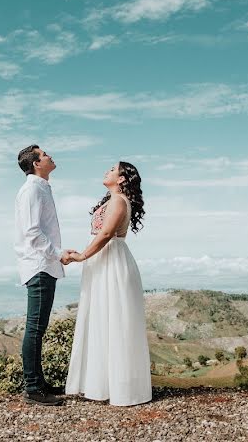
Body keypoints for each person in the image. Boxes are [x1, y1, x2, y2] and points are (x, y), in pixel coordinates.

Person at [64, 161, 152, 406]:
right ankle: (103, 383)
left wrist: (81, 256)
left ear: (122, 179)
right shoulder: (113, 200)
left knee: (113, 318)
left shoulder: (118, 201)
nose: (107, 171)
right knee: (104, 318)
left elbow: (105, 235)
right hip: (104, 260)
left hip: (111, 260)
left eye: (113, 169)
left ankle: (117, 387)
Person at [14, 144, 74, 406]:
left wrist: (57, 253)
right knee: (35, 329)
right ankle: (32, 388)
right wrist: (58, 253)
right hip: (39, 265)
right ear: (37, 163)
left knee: (39, 329)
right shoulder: (32, 190)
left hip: (44, 264)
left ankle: (39, 382)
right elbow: (32, 232)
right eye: (45, 154)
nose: (50, 155)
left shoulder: (40, 188)